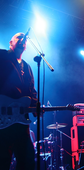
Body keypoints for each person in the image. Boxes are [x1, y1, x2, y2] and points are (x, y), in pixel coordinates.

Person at [0, 32, 37, 170]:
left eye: (24, 38)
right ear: (10, 42)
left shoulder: (27, 67)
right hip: (2, 119)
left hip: (21, 121)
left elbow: (32, 92)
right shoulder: (2, 56)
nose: (23, 39)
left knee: (27, 161)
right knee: (3, 160)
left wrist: (36, 106)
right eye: (19, 37)